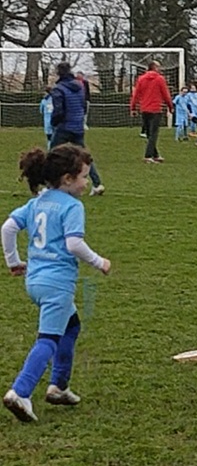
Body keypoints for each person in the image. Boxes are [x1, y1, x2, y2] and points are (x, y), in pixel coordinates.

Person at [1, 145, 112, 423]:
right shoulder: (72, 206)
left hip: (35, 280)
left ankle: (59, 387)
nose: (87, 183)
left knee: (71, 326)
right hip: (57, 284)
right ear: (67, 179)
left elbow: (8, 228)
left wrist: (14, 262)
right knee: (48, 339)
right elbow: (74, 244)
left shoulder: (39, 200)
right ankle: (20, 392)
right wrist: (99, 262)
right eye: (84, 177)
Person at [49, 62, 104, 196]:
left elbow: (58, 110)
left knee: (52, 155)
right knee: (83, 156)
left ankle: (48, 184)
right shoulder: (79, 86)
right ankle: (97, 184)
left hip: (64, 126)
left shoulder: (59, 88)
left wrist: (54, 122)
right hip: (78, 125)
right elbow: (83, 104)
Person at [130, 61, 173, 163]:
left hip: (144, 109)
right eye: (158, 66)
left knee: (149, 133)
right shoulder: (159, 79)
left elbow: (136, 94)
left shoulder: (141, 79)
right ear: (155, 67)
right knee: (153, 133)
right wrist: (170, 106)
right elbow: (165, 94)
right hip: (155, 109)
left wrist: (133, 107)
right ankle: (148, 156)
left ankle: (155, 155)